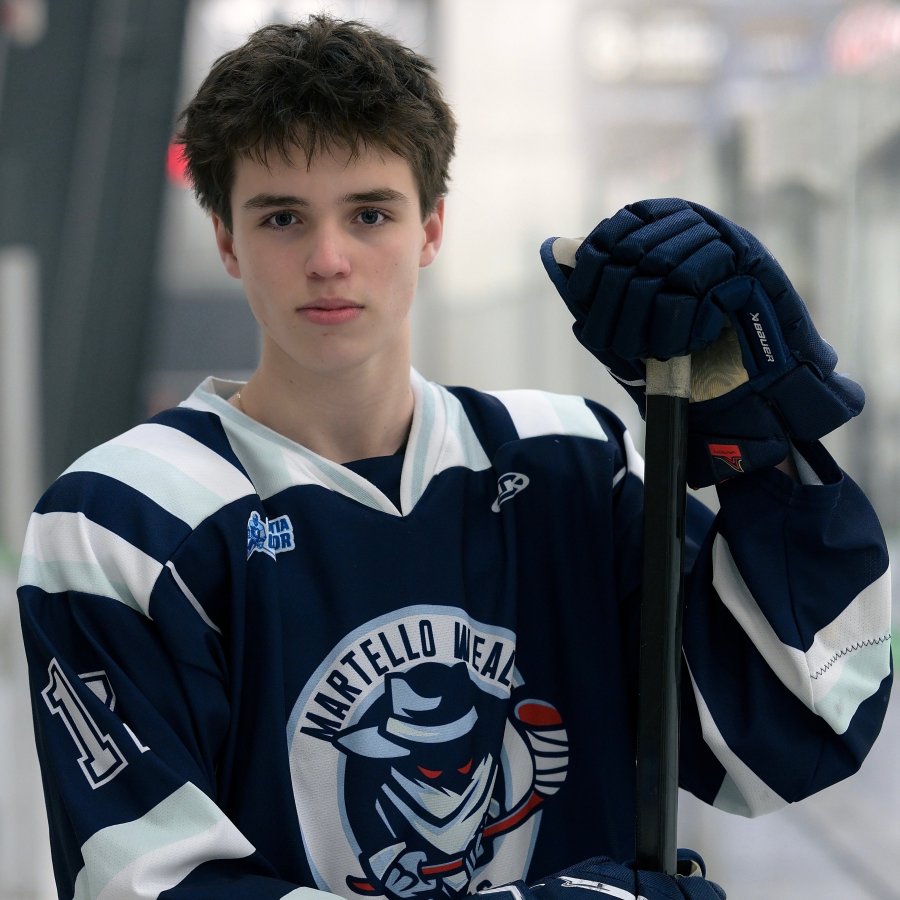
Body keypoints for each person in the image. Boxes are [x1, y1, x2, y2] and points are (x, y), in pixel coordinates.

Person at [17, 15, 891, 900]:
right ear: (226, 239)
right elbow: (148, 888)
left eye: (370, 213)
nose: (328, 259)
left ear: (431, 227)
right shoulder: (122, 521)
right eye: (282, 217)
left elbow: (801, 730)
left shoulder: (569, 463)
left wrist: (759, 447)